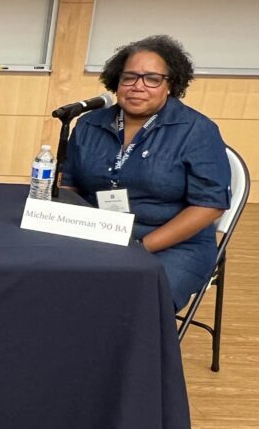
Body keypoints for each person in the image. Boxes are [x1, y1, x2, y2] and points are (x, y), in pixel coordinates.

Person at [62, 34, 231, 310]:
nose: (138, 86)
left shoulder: (196, 131)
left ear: (170, 85)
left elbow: (209, 206)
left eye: (152, 78)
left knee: (129, 298)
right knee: (45, 278)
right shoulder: (89, 125)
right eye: (129, 77)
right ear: (116, 82)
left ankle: (129, 353)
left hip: (172, 245)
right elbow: (69, 186)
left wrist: (140, 247)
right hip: (99, 235)